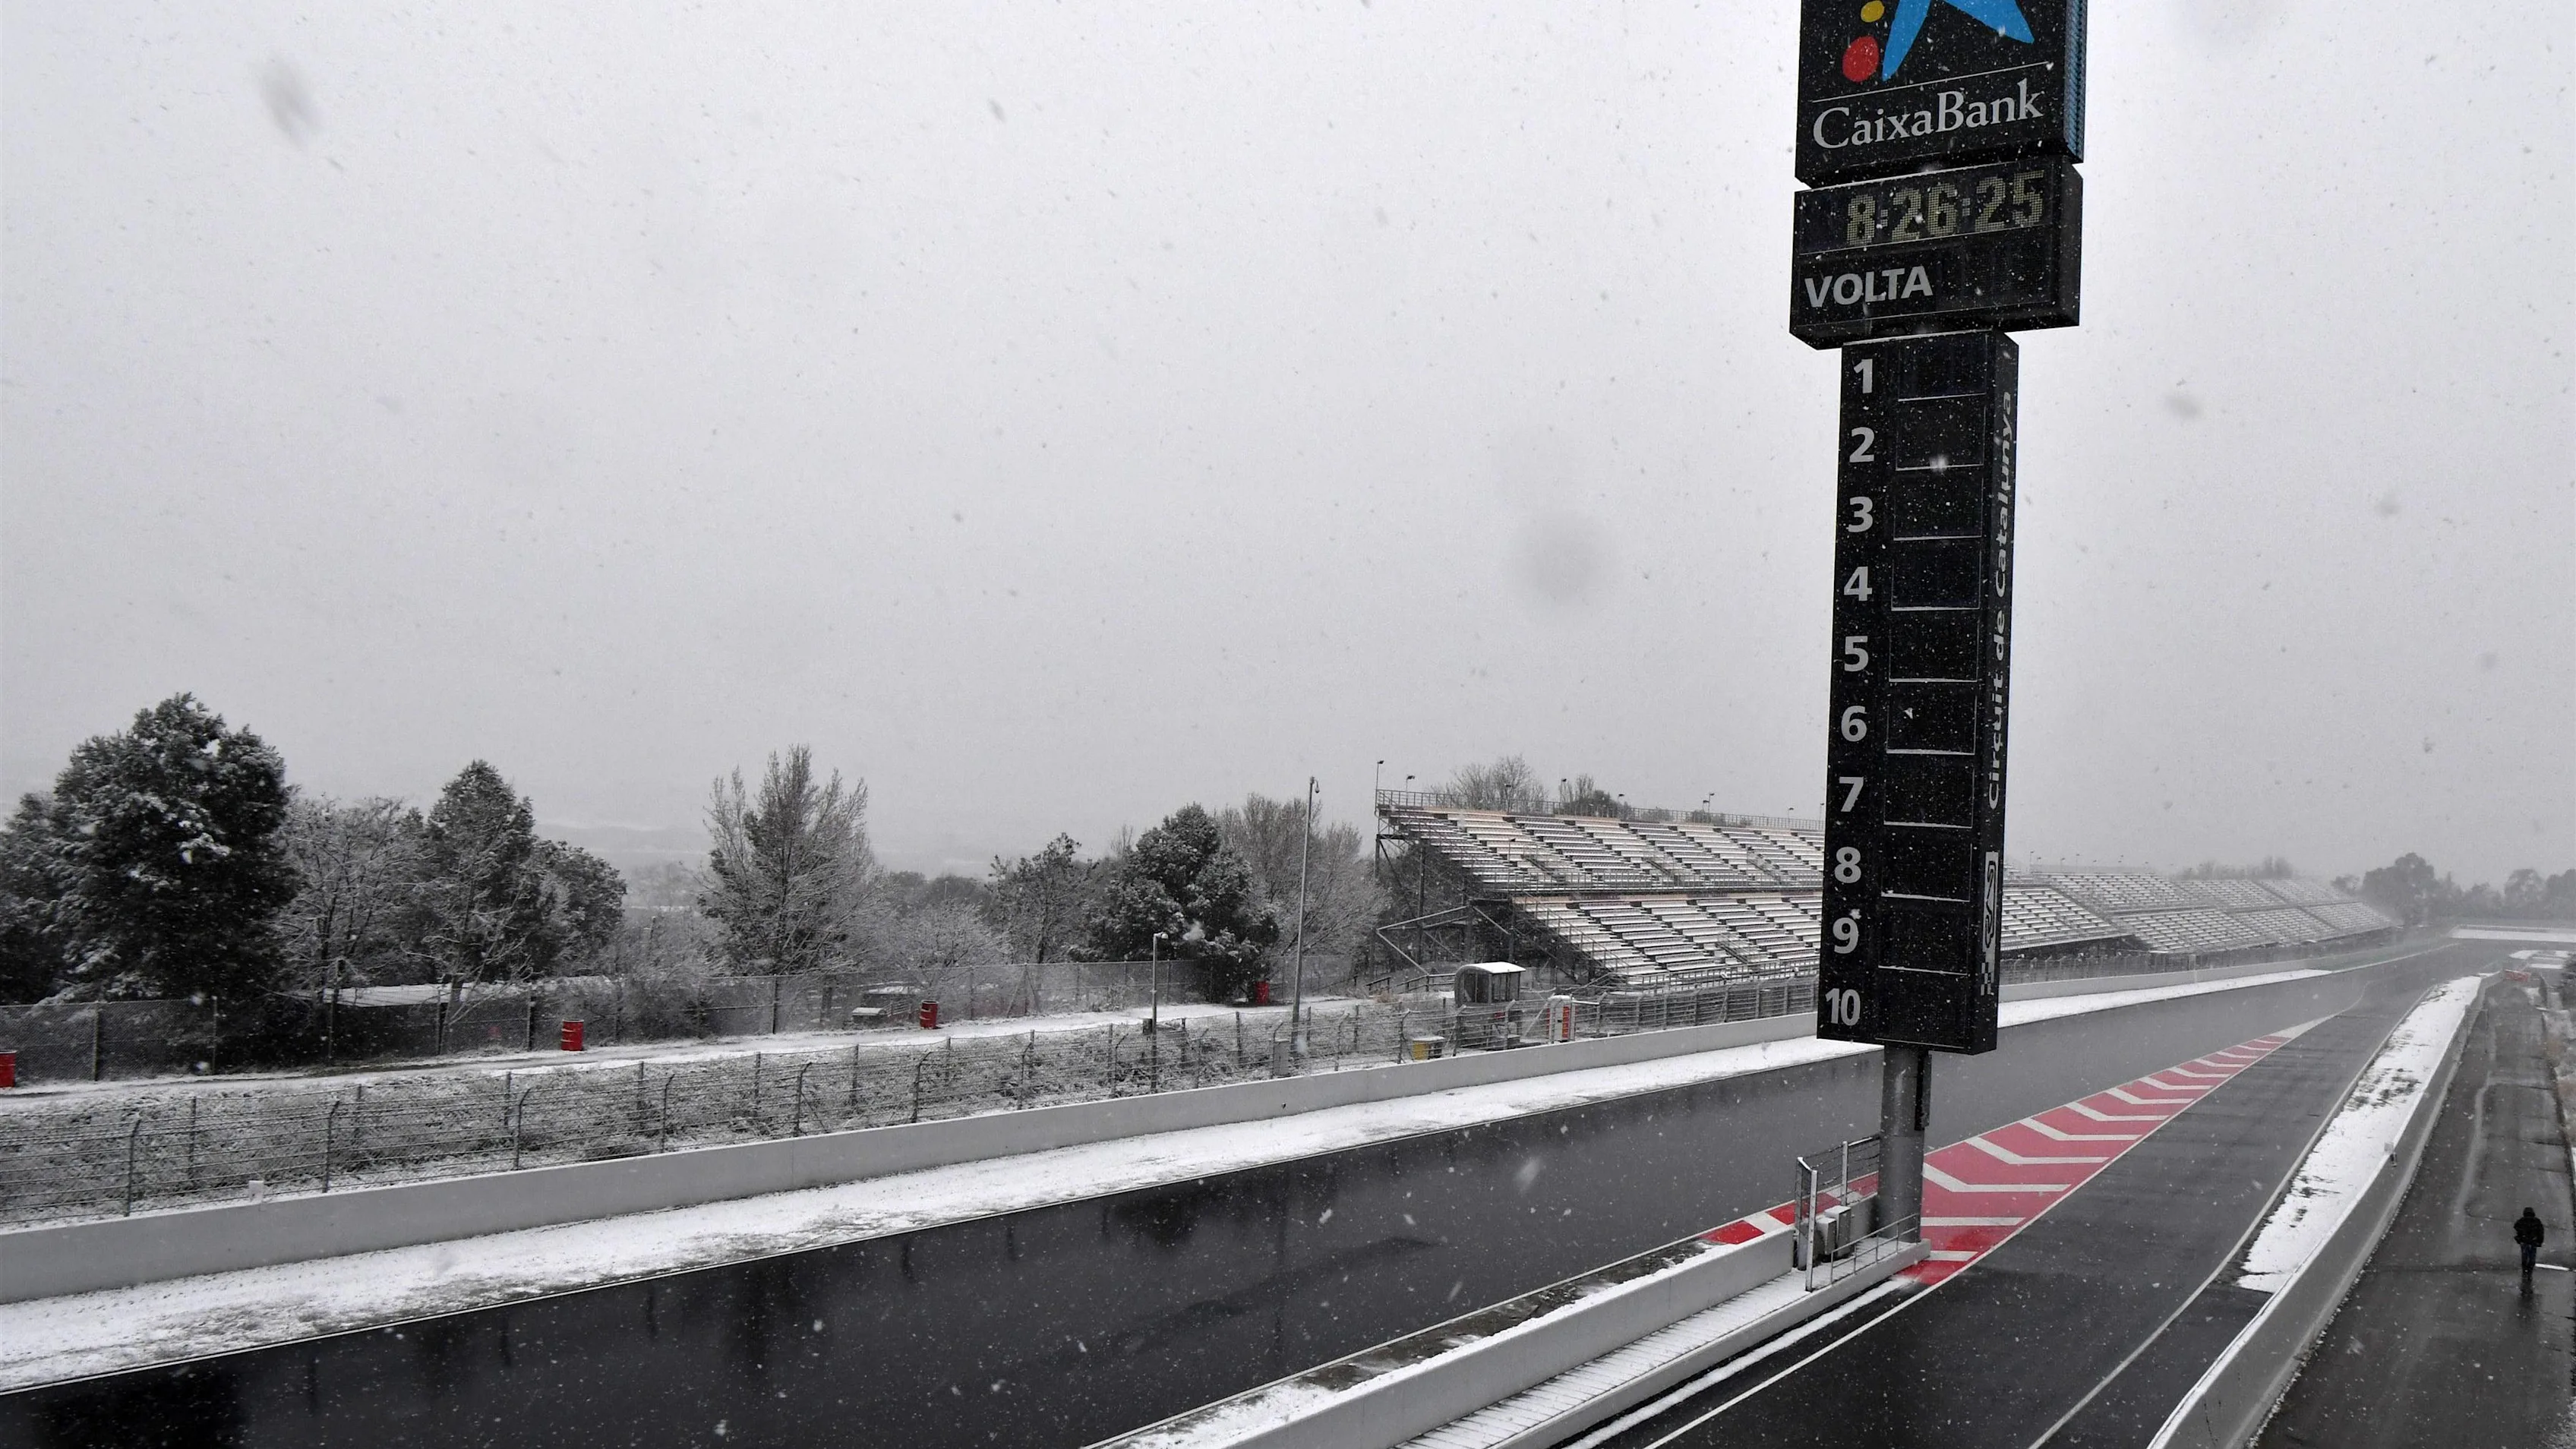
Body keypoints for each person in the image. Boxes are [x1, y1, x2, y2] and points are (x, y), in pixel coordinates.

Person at [2514, 1206, 2546, 1287]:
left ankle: (2525, 1270)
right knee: (2532, 1257)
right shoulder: (2536, 1222)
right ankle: (2529, 1271)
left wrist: (2520, 1238)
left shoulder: (2522, 1221)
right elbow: (2541, 1232)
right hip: (2532, 1242)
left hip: (2526, 1241)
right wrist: (2539, 1241)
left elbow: (2517, 1227)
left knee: (2525, 1256)